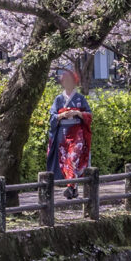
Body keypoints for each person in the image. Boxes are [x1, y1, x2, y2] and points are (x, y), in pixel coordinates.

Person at [44, 63, 92, 197]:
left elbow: (89, 115)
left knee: (73, 158)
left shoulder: (80, 98)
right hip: (62, 134)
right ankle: (73, 189)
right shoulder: (59, 99)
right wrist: (61, 115)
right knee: (64, 161)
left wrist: (77, 113)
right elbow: (52, 116)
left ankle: (71, 187)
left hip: (77, 132)